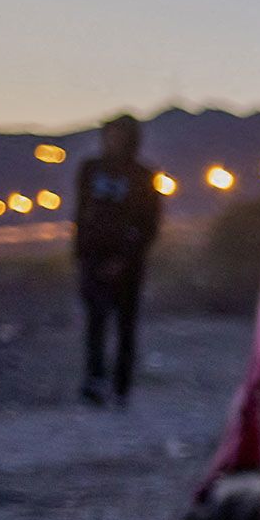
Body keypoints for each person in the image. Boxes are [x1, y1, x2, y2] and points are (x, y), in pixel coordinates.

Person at [71, 115, 162, 406]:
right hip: (92, 259)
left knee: (125, 326)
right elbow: (81, 213)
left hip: (129, 264)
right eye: (110, 134)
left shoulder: (143, 176)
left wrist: (127, 257)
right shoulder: (89, 170)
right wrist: (80, 253)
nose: (114, 141)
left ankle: (122, 387)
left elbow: (150, 224)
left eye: (120, 135)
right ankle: (94, 381)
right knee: (95, 323)